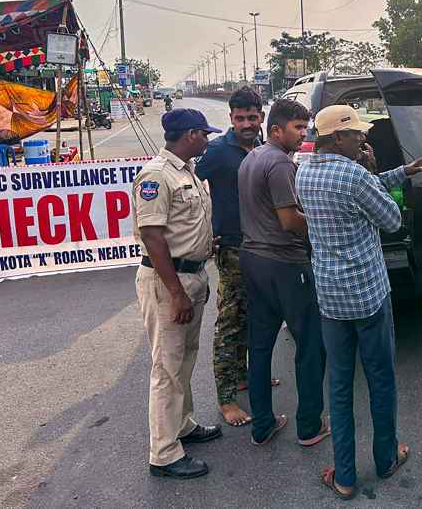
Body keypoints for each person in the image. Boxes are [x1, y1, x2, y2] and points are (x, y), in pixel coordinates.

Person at [294, 105, 422, 499]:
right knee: (381, 379)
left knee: (339, 386)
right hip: (368, 296)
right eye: (356, 134)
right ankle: (386, 458)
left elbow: (357, 194)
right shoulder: (356, 175)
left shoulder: (304, 171)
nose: (363, 139)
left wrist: (404, 170)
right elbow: (391, 219)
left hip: (331, 298)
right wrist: (377, 175)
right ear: (336, 138)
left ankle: (344, 476)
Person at [133, 108, 223, 479]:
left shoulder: (185, 171)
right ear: (189, 135)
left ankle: (181, 426)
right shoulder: (156, 175)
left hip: (192, 275)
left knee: (185, 359)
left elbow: (180, 227)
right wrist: (176, 294)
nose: (207, 139)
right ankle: (164, 453)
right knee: (167, 369)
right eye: (204, 134)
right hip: (168, 282)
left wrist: (204, 245)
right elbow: (152, 236)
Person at [237, 99, 329, 448]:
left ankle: (261, 424)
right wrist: (321, 223)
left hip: (253, 259)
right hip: (285, 264)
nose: (303, 134)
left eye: (306, 128)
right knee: (310, 344)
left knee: (259, 346)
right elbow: (289, 221)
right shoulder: (279, 164)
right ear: (276, 130)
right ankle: (309, 426)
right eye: (297, 128)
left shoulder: (252, 158)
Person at [196, 87, 279, 428]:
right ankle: (227, 397)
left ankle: (245, 375)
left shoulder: (264, 149)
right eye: (240, 118)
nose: (247, 123)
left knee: (257, 313)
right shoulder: (217, 151)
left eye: (252, 117)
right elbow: (191, 190)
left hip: (264, 246)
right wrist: (204, 232)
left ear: (261, 117)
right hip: (231, 249)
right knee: (231, 322)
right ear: (231, 119)